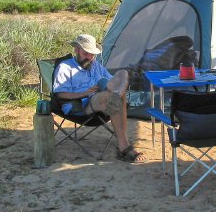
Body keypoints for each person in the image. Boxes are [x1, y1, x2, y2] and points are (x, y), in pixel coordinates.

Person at [52, 34, 146, 163]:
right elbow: (60, 94)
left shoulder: (95, 65)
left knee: (122, 74)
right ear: (77, 50)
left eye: (92, 54)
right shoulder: (65, 67)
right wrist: (84, 93)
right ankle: (124, 146)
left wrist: (108, 86)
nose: (90, 57)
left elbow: (111, 80)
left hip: (104, 99)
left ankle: (117, 97)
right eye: (86, 53)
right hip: (80, 104)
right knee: (113, 98)